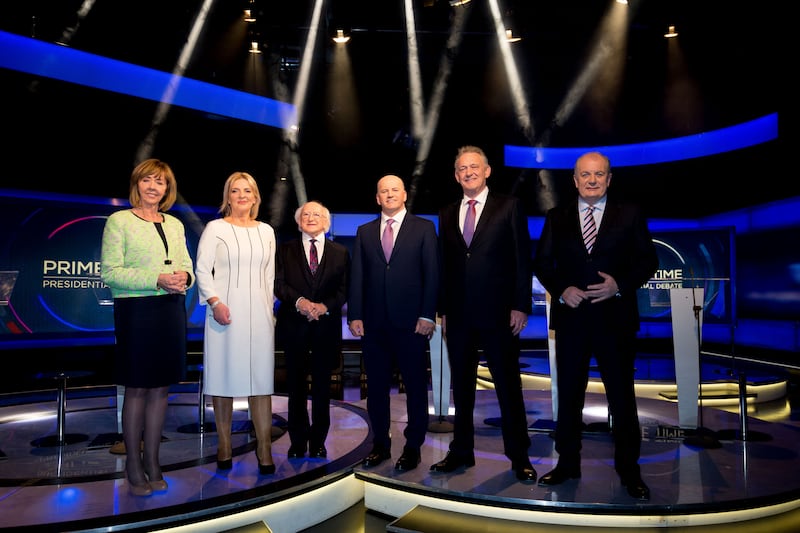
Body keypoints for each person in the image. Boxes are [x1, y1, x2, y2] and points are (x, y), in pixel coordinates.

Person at [532, 151, 659, 500]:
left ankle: (629, 471)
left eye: (599, 174)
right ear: (575, 180)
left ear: (609, 179)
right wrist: (562, 289)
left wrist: (619, 284)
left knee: (622, 398)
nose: (592, 180)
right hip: (572, 321)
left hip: (615, 321)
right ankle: (567, 464)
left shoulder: (630, 213)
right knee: (570, 397)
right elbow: (542, 263)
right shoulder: (557, 216)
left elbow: (648, 260)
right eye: (585, 175)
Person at [433, 145, 537, 483]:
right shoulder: (447, 212)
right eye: (462, 168)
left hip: (500, 314)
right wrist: (443, 311)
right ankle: (461, 451)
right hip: (459, 316)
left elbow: (522, 258)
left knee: (507, 386)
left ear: (487, 170)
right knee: (462, 389)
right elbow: (445, 265)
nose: (468, 172)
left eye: (474, 166)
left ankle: (519, 456)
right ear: (456, 176)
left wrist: (521, 305)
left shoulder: (509, 206)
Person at [101, 158, 195, 496]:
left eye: (160, 182)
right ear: (137, 184)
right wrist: (157, 278)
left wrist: (185, 277)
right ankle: (133, 464)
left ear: (167, 189)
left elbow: (186, 264)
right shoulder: (119, 221)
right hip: (136, 311)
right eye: (148, 180)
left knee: (161, 389)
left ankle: (153, 462)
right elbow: (110, 272)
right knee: (138, 388)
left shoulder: (175, 224)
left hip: (170, 309)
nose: (154, 187)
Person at [348, 174, 439, 472]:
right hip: (374, 325)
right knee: (376, 389)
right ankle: (380, 445)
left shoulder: (424, 228)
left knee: (415, 387)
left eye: (394, 190)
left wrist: (428, 314)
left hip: (412, 324)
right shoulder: (364, 232)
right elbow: (358, 276)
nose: (389, 194)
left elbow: (432, 274)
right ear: (377, 198)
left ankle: (413, 447)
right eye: (384, 191)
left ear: (404, 195)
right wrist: (355, 314)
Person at [195, 171, 277, 475]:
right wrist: (215, 302)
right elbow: (202, 270)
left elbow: (269, 277)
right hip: (224, 314)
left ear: (255, 197)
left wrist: (269, 312)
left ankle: (264, 447)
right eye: (235, 190)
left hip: (260, 315)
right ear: (227, 197)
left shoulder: (266, 231)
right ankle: (225, 444)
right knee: (223, 380)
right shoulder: (215, 228)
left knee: (261, 382)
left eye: (247, 190)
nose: (242, 195)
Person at [275, 201, 350, 460]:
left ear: (326, 222)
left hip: (325, 328)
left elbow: (344, 289)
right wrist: (301, 302)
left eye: (316, 214)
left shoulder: (341, 252)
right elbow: (278, 284)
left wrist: (323, 306)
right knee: (295, 387)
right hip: (293, 327)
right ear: (298, 222)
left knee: (322, 388)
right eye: (305, 214)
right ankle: (297, 442)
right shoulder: (284, 250)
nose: (310, 218)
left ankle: (318, 442)